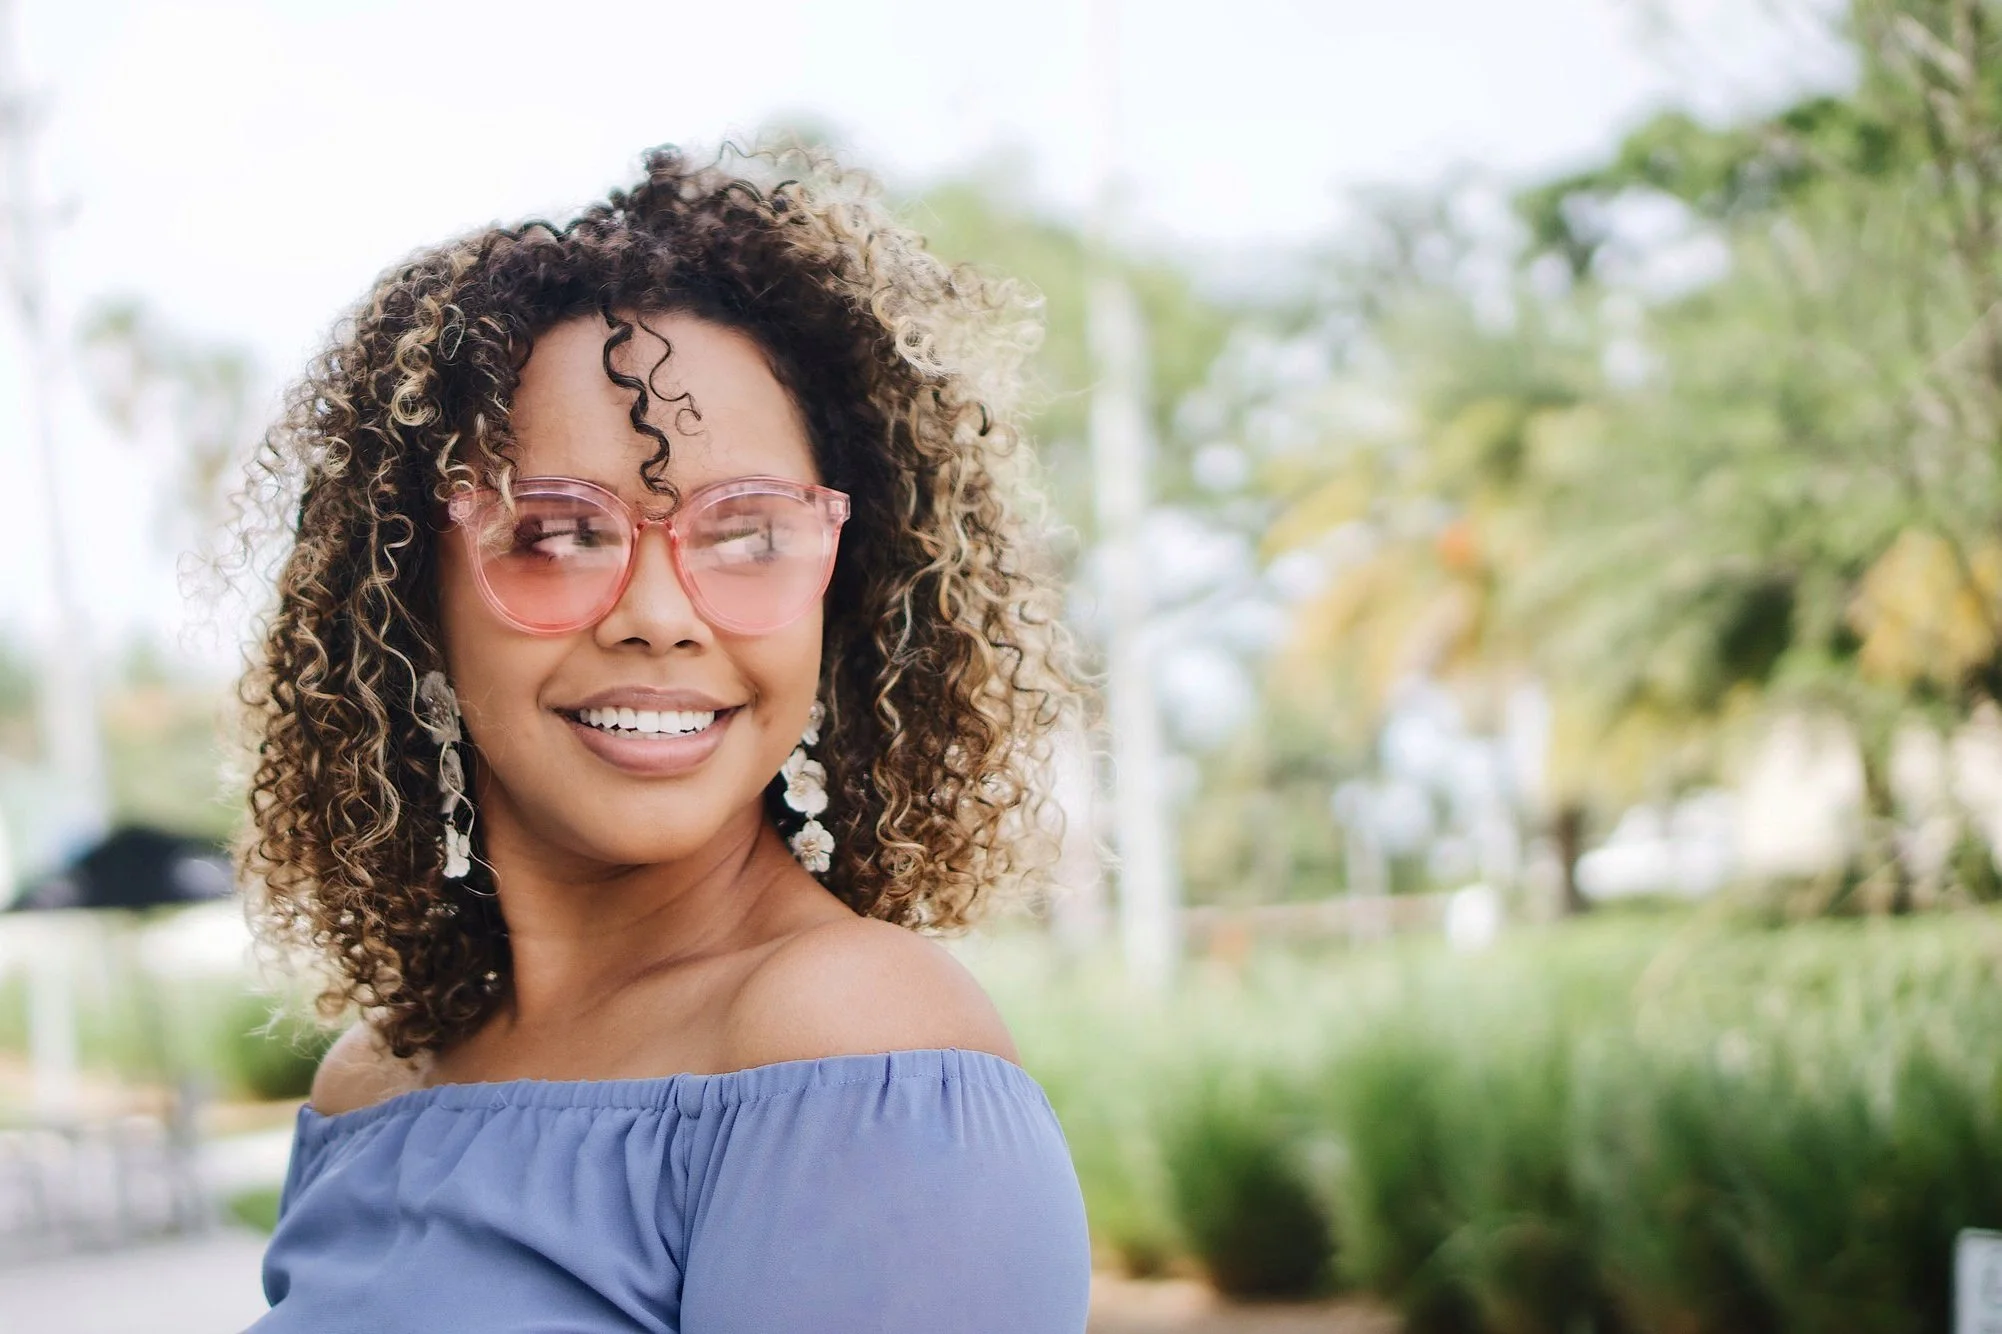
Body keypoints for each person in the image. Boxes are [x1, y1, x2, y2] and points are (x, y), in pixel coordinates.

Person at [234, 144, 1092, 1332]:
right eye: (555, 531)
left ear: (846, 593)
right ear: (405, 596)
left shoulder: (846, 1035)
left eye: (747, 533)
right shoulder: (373, 1080)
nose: (657, 614)